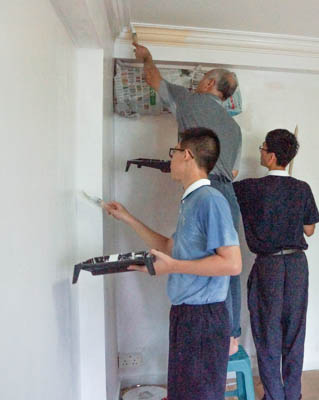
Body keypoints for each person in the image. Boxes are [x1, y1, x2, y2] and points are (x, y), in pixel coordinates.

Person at [105, 128, 242, 400]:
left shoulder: (211, 200)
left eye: (174, 152)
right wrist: (128, 218)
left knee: (198, 394)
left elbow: (232, 263)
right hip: (186, 315)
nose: (172, 158)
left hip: (204, 319)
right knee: (183, 392)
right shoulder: (191, 200)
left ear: (187, 155)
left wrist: (173, 267)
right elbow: (171, 248)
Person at [133, 43, 244, 354]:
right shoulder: (235, 128)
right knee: (227, 261)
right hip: (227, 193)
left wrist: (146, 57)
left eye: (202, 79)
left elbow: (153, 78)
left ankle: (212, 335)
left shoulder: (190, 99)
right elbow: (232, 171)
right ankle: (231, 334)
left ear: (209, 85)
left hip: (205, 190)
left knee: (206, 258)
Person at [233, 129, 319, 400]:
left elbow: (224, 191)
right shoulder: (301, 188)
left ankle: (274, 396)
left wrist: (231, 177)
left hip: (268, 266)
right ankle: (292, 395)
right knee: (294, 331)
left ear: (271, 156)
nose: (259, 151)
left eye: (262, 148)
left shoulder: (248, 188)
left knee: (267, 331)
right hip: (296, 265)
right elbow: (309, 230)